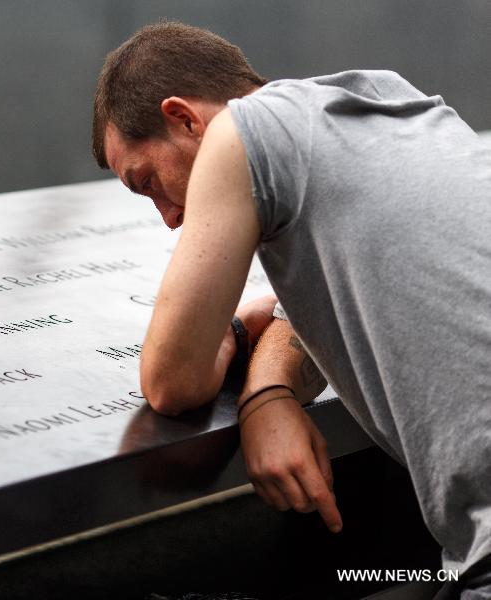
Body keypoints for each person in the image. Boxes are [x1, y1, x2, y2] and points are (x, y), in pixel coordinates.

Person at [91, 21, 491, 599]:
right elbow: (321, 295)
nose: (169, 217)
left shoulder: (239, 134)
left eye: (148, 181)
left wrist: (228, 335)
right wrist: (268, 392)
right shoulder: (390, 102)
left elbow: (171, 381)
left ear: (184, 118)